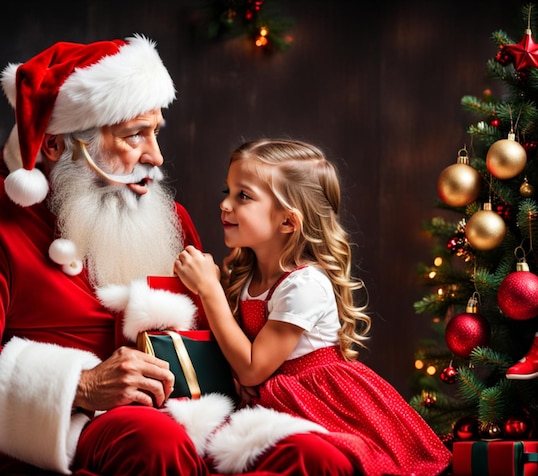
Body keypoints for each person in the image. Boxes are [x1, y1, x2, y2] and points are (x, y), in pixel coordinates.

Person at [0, 38, 355, 476]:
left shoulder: (167, 215)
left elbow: (216, 331)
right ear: (54, 146)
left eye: (155, 132)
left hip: (199, 411)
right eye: (133, 136)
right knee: (158, 447)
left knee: (318, 457)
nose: (156, 157)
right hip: (72, 427)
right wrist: (82, 384)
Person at [174, 138, 453, 476]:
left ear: (288, 222)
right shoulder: (246, 274)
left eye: (243, 196)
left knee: (324, 458)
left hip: (320, 401)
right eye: (227, 192)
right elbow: (244, 358)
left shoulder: (303, 284)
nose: (226, 206)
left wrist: (209, 290)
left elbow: (252, 367)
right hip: (270, 397)